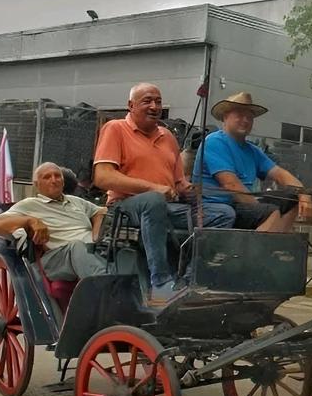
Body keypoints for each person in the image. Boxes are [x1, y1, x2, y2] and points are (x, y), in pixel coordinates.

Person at [92, 83, 234, 300]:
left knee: (224, 213)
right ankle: (160, 282)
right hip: (126, 208)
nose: (154, 106)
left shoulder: (167, 136)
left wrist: (186, 189)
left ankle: (189, 278)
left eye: (158, 101)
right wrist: (152, 188)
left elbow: (177, 182)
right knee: (153, 200)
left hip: (166, 207)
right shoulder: (115, 128)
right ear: (130, 105)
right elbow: (103, 177)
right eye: (147, 101)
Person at [193, 91, 312, 231]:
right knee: (267, 212)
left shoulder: (252, 150)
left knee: (291, 200)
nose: (245, 120)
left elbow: (280, 174)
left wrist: (303, 194)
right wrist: (259, 206)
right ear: (225, 117)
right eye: (239, 115)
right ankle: (259, 249)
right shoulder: (214, 142)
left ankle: (278, 241)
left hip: (241, 205)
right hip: (215, 207)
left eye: (249, 117)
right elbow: (231, 185)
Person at [0, 162, 108, 280]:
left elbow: (100, 211)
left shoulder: (76, 201)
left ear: (63, 181)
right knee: (77, 247)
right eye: (47, 177)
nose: (54, 180)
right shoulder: (30, 204)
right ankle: (108, 287)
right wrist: (30, 221)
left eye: (57, 176)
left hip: (92, 251)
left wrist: (95, 236)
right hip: (57, 258)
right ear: (37, 185)